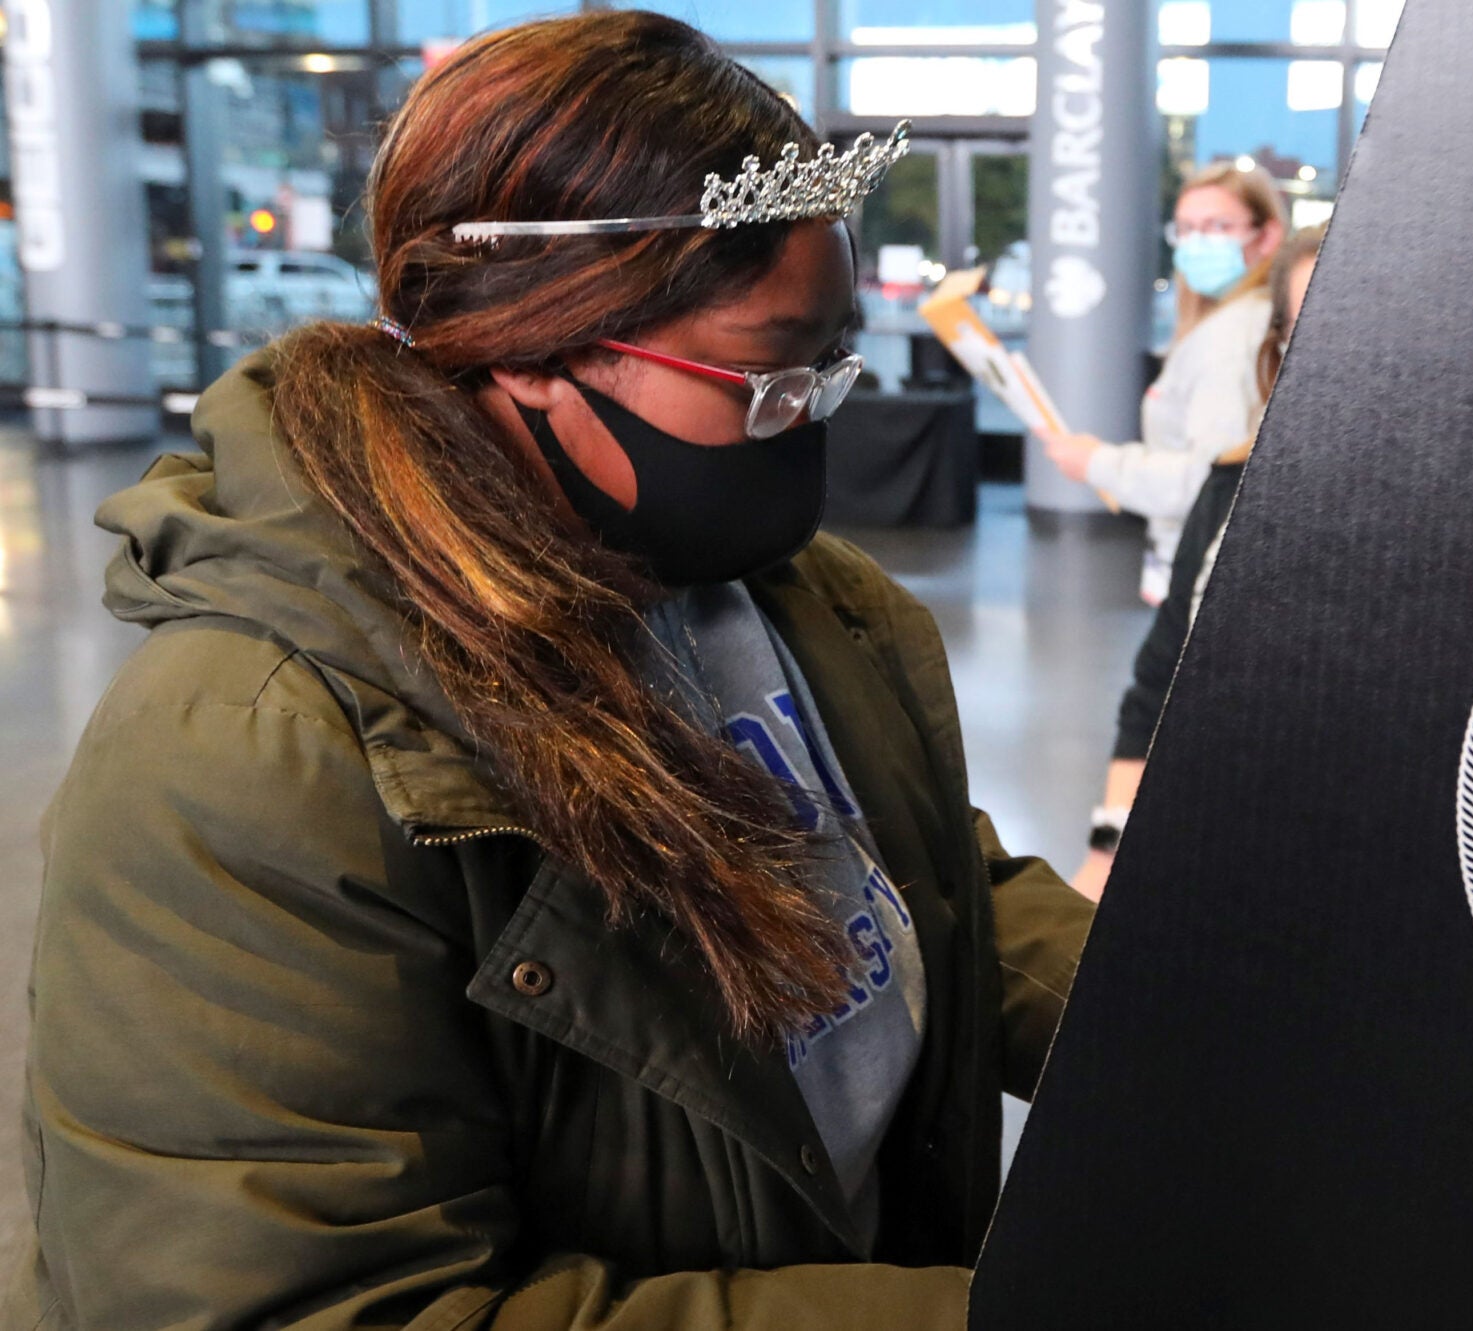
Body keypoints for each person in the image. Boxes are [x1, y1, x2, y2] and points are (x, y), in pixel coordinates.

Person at [2, 14, 1090, 1328]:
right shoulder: (249, 758)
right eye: (766, 375)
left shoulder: (779, 596)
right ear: (526, 347)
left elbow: (918, 879)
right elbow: (322, 1304)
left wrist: (1206, 1012)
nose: (807, 418)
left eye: (828, 364)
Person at [1073, 221, 1326, 898]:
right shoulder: (1228, 488)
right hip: (1228, 841)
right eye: (1310, 327)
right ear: (1279, 346)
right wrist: (1106, 850)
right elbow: (1159, 680)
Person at [1035, 160, 1289, 605]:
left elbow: (1210, 481)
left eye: (1218, 226)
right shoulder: (1231, 320)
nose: (1198, 242)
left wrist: (1099, 463)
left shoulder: (1234, 336)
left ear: (1266, 235)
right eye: (1186, 229)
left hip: (1208, 573)